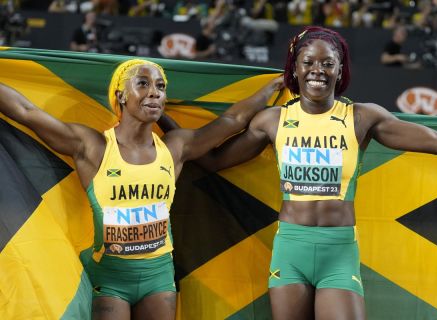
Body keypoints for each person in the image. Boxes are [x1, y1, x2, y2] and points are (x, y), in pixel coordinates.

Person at [190, 26, 437, 319]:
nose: (318, 70)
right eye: (308, 63)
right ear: (295, 69)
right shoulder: (273, 121)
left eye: (328, 63)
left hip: (339, 253)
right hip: (291, 250)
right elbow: (214, 160)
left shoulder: (360, 117)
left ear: (340, 71)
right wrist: (174, 141)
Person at [0, 58, 283, 320]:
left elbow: (231, 121)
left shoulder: (175, 148)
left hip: (158, 280)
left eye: (161, 86)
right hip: (110, 282)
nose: (155, 92)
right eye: (143, 83)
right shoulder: (94, 147)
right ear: (121, 95)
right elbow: (27, 112)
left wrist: (272, 86)